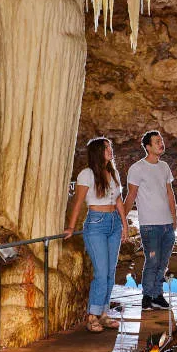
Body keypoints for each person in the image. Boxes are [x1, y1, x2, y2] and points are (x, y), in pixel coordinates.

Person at [64, 137, 128, 332]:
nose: (110, 150)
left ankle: (104, 313)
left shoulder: (113, 172)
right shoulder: (87, 174)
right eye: (106, 148)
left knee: (110, 273)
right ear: (97, 152)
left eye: (110, 147)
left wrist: (124, 225)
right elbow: (78, 201)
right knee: (101, 273)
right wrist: (71, 227)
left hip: (114, 224)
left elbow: (118, 201)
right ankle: (92, 315)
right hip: (96, 224)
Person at [124, 130, 177, 310]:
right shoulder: (137, 168)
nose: (161, 143)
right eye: (157, 141)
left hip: (167, 224)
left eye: (161, 140)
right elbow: (131, 195)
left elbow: (170, 193)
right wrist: (122, 219)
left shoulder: (164, 167)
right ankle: (147, 296)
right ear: (148, 147)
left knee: (163, 262)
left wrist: (174, 217)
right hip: (150, 225)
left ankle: (158, 295)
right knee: (152, 261)